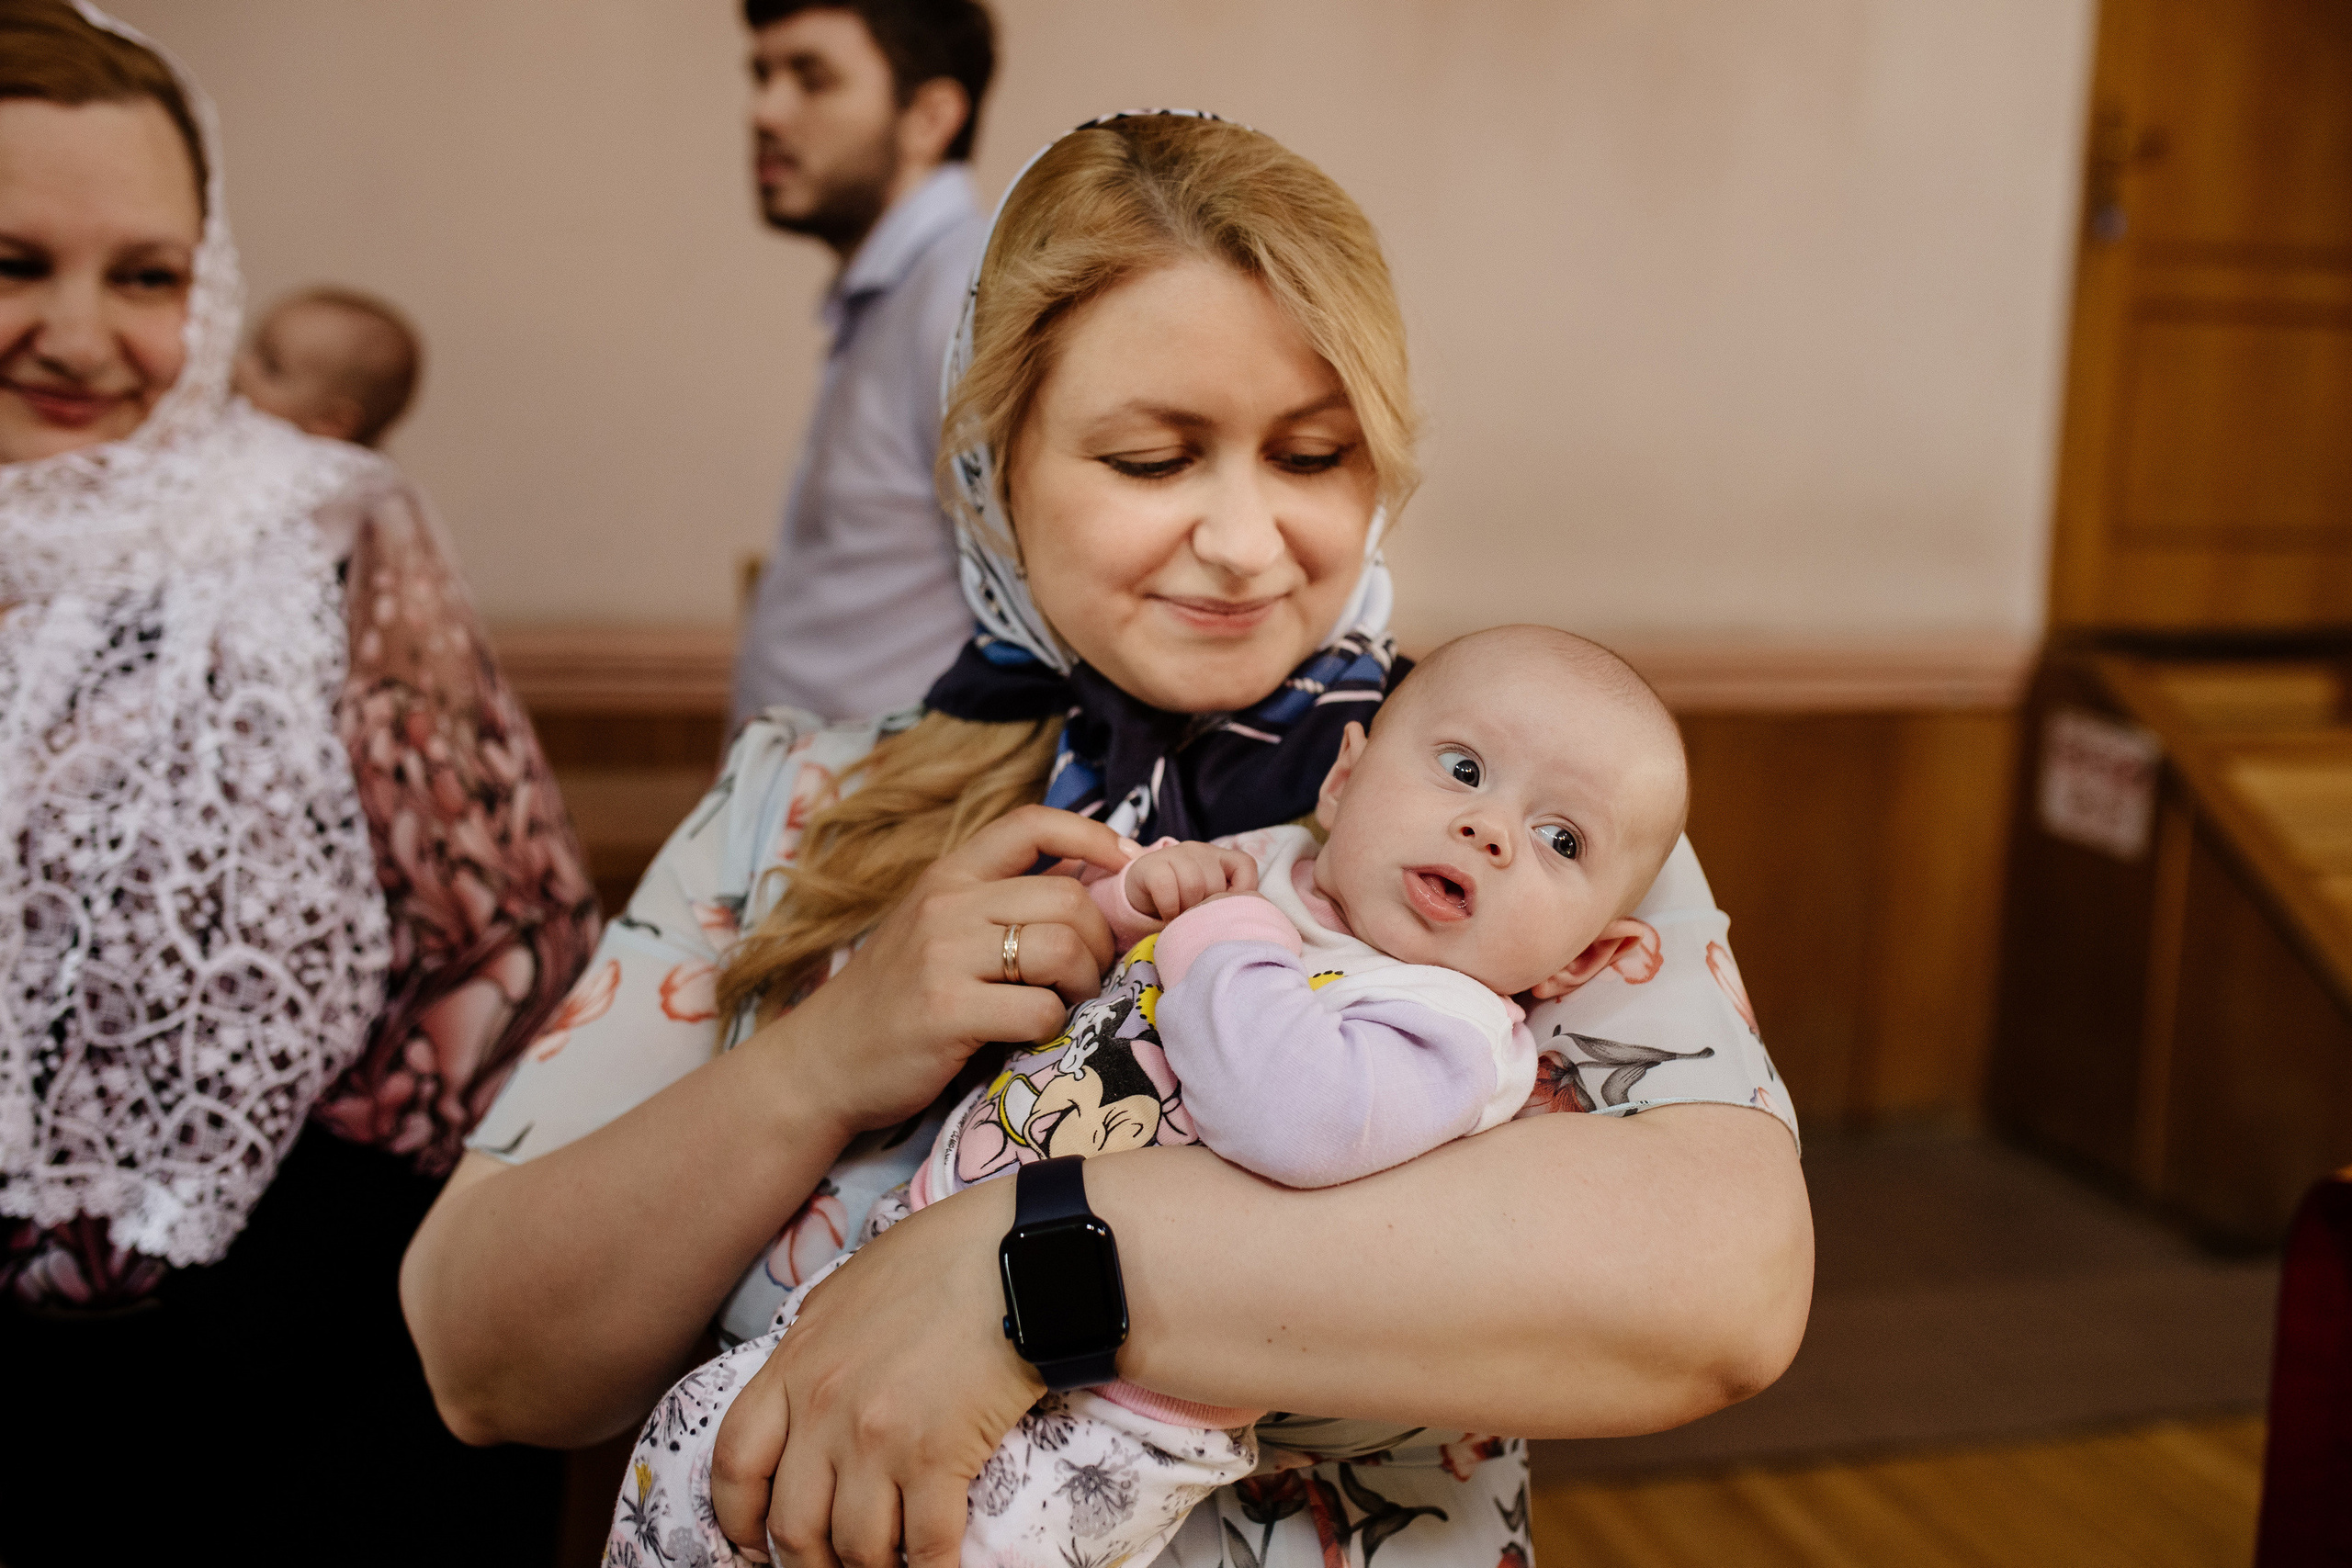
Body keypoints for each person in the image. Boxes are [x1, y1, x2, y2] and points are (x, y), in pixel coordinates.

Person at [404, 113, 1811, 1568]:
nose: (1248, 542)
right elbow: (483, 1355)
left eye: (1315, 456)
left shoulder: (1503, 820)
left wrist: (1024, 1263)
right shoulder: (799, 804)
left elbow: (1728, 1289)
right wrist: (827, 1058)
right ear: (995, 456)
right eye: (1153, 459)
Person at [608, 625, 1699, 1568]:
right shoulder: (1274, 868)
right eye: (1462, 770)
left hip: (1112, 1408)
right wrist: (1138, 891)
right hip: (905, 1266)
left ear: (1575, 962)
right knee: (699, 1453)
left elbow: (1292, 1118)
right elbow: (1088, 948)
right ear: (1344, 780)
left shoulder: (1454, 1026)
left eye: (1561, 840)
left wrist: (1218, 931)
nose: (1492, 829)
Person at [0, 6, 598, 1563]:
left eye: (147, 276)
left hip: (281, 1396)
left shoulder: (329, 537)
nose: (80, 334)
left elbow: (508, 985)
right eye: (13, 263)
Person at [729, 0, 998, 728]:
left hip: (903, 822)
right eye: (762, 74)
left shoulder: (964, 297)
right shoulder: (898, 294)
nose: (766, 111)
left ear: (930, 116)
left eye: (811, 79)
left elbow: (1030, 626)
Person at [234, 284, 422, 446]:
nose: (240, 364)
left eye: (271, 367)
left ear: (330, 421)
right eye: (252, 345)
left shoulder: (319, 477)